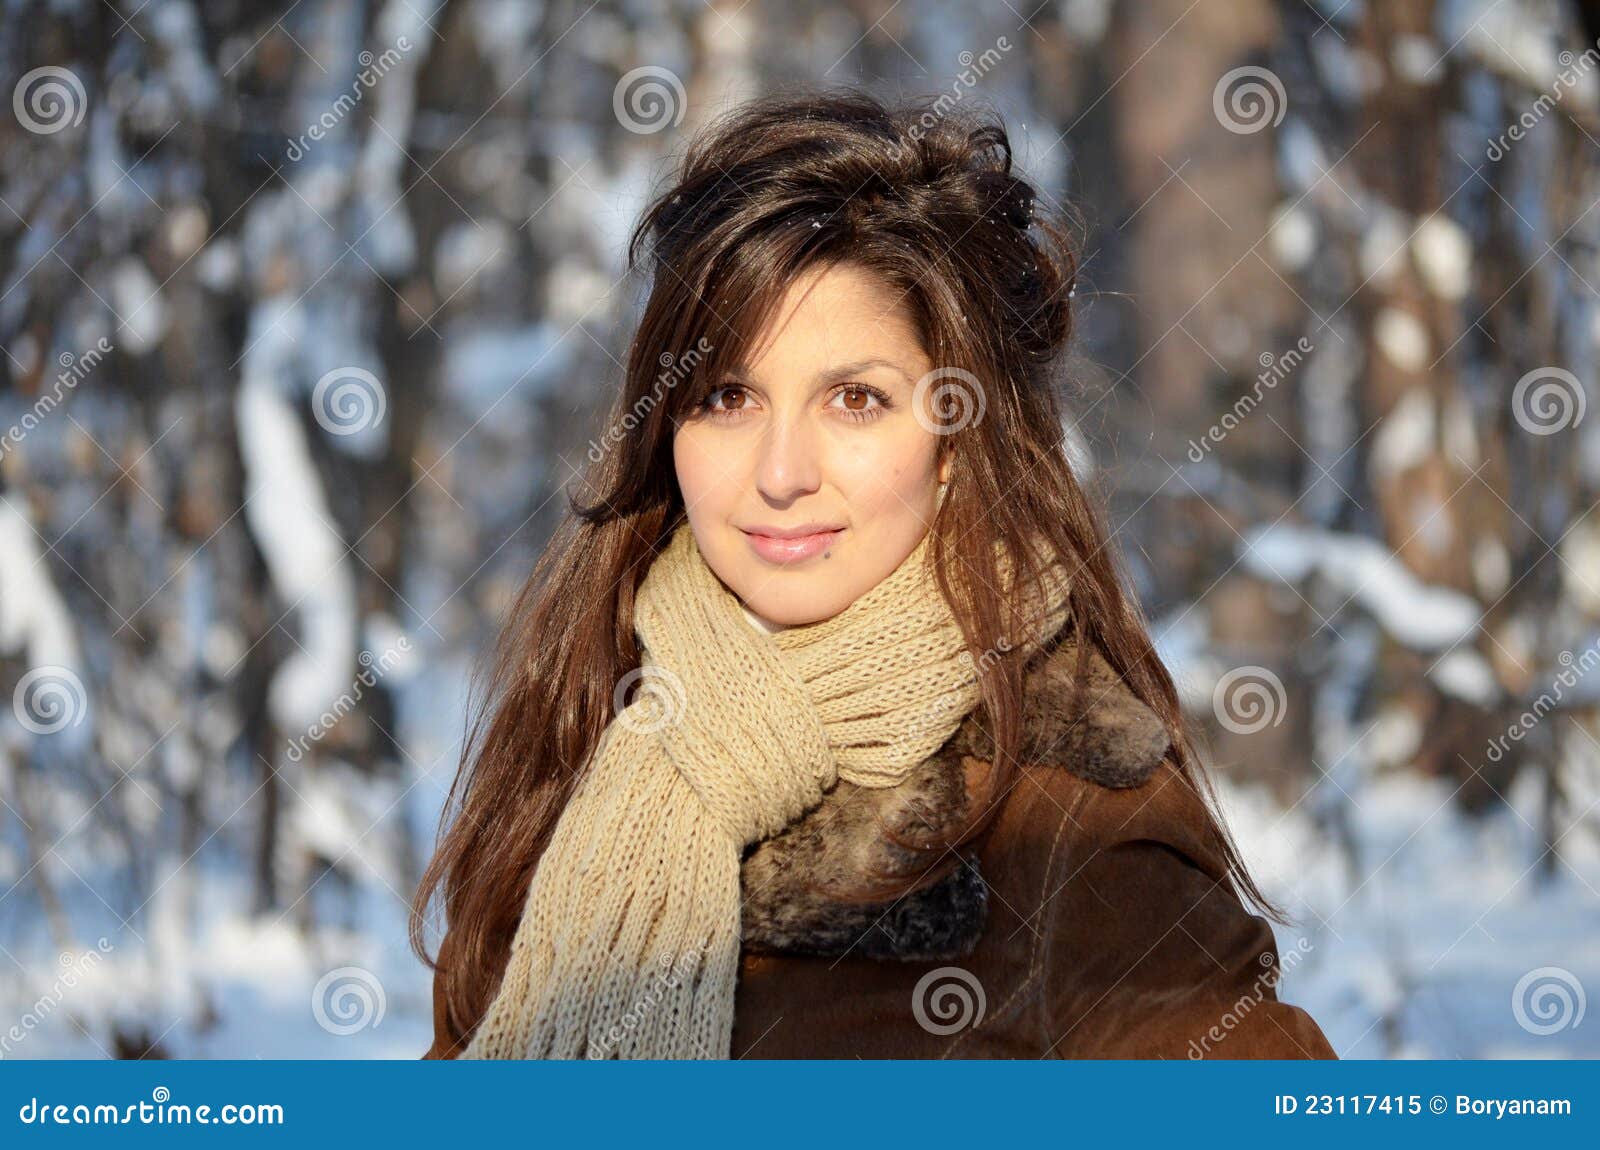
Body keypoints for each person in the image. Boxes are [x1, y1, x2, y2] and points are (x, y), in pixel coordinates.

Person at [413, 88, 1336, 1060]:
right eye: (728, 396)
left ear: (954, 440)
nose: (779, 473)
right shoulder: (594, 723)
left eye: (854, 399)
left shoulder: (1066, 814)